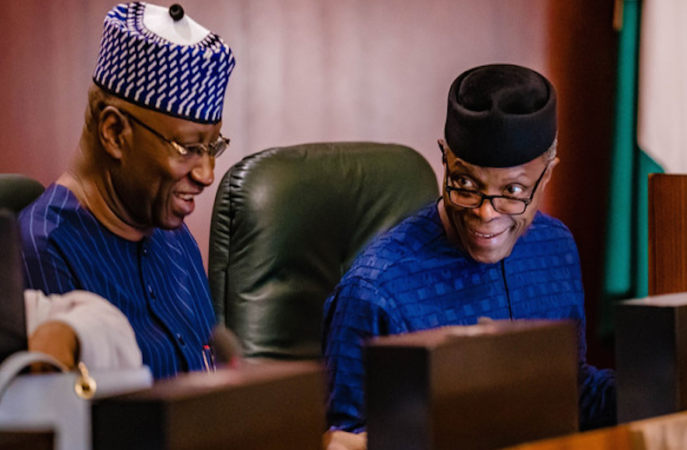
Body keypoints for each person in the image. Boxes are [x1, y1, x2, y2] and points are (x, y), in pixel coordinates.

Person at [322, 64, 616, 447]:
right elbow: (343, 439)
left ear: (546, 175)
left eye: (512, 191)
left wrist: (662, 381)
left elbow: (570, 389)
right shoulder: (374, 291)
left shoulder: (555, 246)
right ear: (444, 158)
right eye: (464, 184)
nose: (485, 213)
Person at [19, 2, 236, 379]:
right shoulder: (44, 248)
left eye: (213, 147)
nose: (206, 174)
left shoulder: (173, 234)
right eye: (188, 148)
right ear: (115, 133)